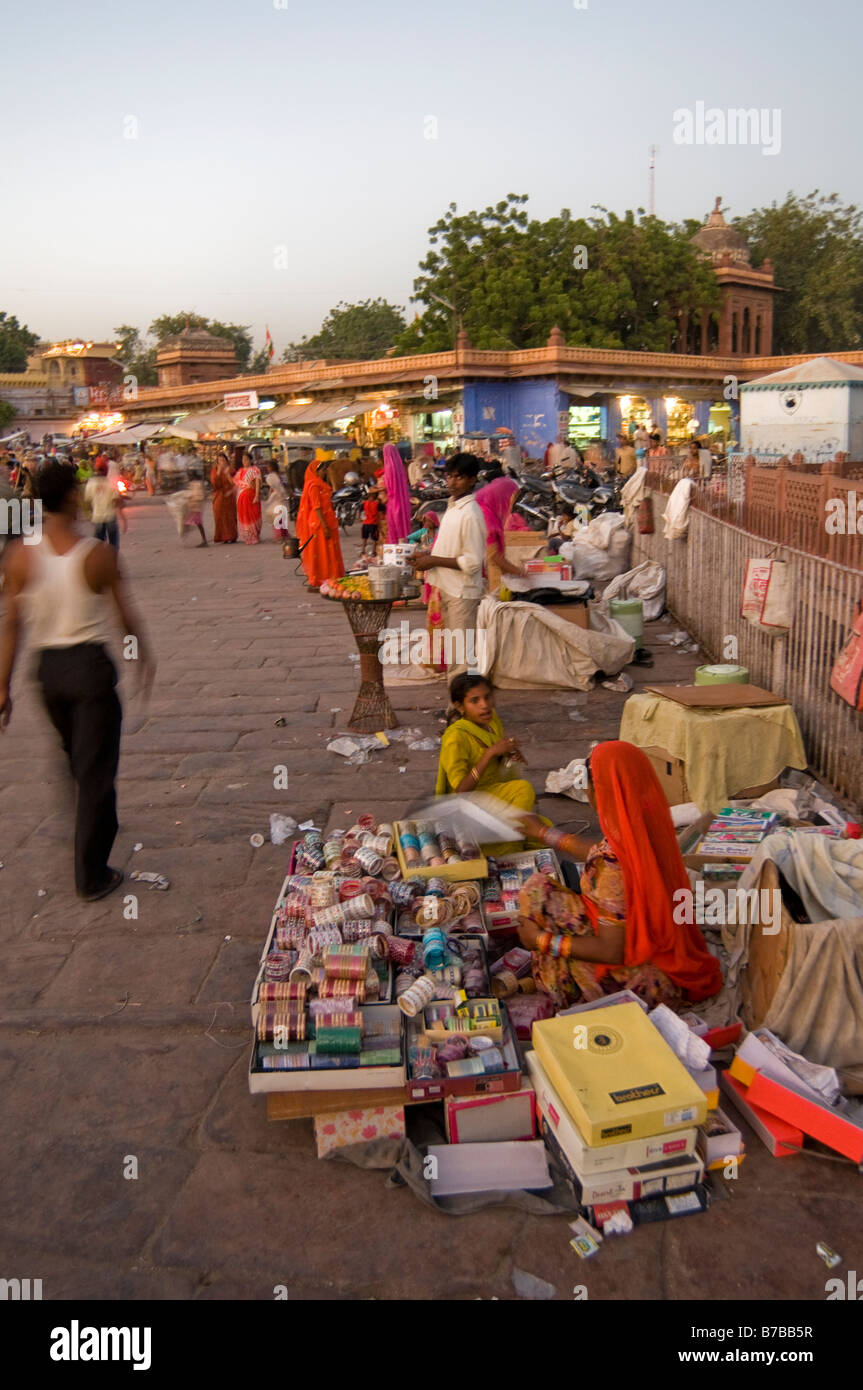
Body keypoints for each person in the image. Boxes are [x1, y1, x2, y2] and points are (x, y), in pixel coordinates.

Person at [0, 461, 153, 901]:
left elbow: (11, 626)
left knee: (77, 756)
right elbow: (125, 619)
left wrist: (2, 687)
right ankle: (92, 875)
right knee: (96, 769)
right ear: (70, 497)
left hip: (47, 673)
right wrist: (140, 658)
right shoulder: (96, 555)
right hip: (88, 669)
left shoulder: (21, 555)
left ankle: (96, 819)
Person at [516, 741, 723, 1011]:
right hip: (667, 957)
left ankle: (563, 989)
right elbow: (601, 852)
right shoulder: (647, 827)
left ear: (597, 790)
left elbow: (611, 951)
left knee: (537, 894)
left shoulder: (609, 866)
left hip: (641, 982)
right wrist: (546, 834)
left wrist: (542, 941)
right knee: (543, 891)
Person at [435, 674, 547, 854]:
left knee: (544, 831)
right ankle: (506, 848)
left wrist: (508, 755)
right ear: (459, 706)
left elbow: (496, 754)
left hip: (490, 792)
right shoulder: (456, 738)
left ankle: (502, 837)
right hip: (466, 804)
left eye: (487, 697)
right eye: (474, 700)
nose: (484, 705)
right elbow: (461, 791)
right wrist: (489, 754)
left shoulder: (491, 720)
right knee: (523, 789)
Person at [411, 453, 486, 680]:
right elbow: (451, 549)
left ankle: (462, 707)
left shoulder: (471, 514)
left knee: (461, 658)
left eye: (459, 477)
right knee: (455, 654)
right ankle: (458, 705)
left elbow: (472, 562)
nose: (452, 482)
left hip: (462, 593)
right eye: (450, 477)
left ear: (472, 480)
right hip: (448, 588)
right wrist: (426, 555)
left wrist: (433, 561)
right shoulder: (453, 507)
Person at [296, 457, 345, 588]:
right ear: (316, 471)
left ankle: (332, 575)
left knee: (330, 550)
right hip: (319, 522)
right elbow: (316, 507)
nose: (325, 472)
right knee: (321, 551)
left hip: (328, 520)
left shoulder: (321, 484)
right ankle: (319, 578)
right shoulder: (313, 485)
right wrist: (325, 526)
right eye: (323, 470)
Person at [475, 477, 527, 594]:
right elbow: (495, 556)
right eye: (510, 499)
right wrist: (522, 573)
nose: (511, 504)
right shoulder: (486, 515)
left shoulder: (481, 506)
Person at [84, 461, 125, 548]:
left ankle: (101, 560)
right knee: (113, 544)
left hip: (97, 517)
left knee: (98, 544)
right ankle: (112, 559)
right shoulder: (110, 483)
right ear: (106, 471)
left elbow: (87, 500)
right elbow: (116, 501)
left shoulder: (91, 483)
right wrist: (122, 517)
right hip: (110, 516)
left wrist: (89, 515)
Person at [382, 442, 411, 544]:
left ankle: (395, 553)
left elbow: (389, 490)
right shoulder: (400, 468)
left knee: (394, 528)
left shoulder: (389, 469)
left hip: (393, 502)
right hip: (402, 501)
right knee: (402, 527)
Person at [235, 452, 262, 545]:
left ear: (250, 460)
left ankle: (254, 535)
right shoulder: (240, 471)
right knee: (244, 516)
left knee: (252, 515)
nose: (244, 461)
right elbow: (236, 483)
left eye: (246, 459)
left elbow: (257, 483)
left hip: (251, 495)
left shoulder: (255, 470)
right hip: (241, 497)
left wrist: (257, 495)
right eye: (243, 460)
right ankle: (247, 536)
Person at [210, 452, 238, 543]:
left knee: (230, 517)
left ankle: (232, 536)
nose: (222, 462)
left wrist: (227, 474)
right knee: (219, 517)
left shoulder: (231, 470)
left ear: (226, 461)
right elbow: (215, 485)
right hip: (219, 496)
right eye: (220, 461)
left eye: (223, 460)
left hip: (229, 496)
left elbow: (235, 483)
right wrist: (219, 472)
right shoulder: (214, 470)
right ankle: (222, 537)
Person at [262, 461, 289, 543]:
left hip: (277, 499)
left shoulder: (272, 477)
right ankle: (284, 535)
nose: (267, 468)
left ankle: (279, 536)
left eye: (268, 467)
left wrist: (270, 499)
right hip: (280, 499)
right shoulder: (278, 476)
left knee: (276, 517)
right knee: (281, 517)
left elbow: (276, 488)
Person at [181, 471, 208, 546]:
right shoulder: (193, 484)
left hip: (196, 507)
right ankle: (203, 539)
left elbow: (200, 495)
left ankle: (204, 540)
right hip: (193, 506)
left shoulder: (197, 484)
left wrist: (191, 497)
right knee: (197, 523)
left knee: (197, 523)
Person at [361, 485, 381, 556]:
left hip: (365, 523)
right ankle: (373, 552)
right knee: (374, 539)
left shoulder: (364, 503)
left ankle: (363, 551)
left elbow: (361, 512)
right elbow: (382, 511)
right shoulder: (377, 504)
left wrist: (362, 519)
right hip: (373, 523)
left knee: (364, 538)